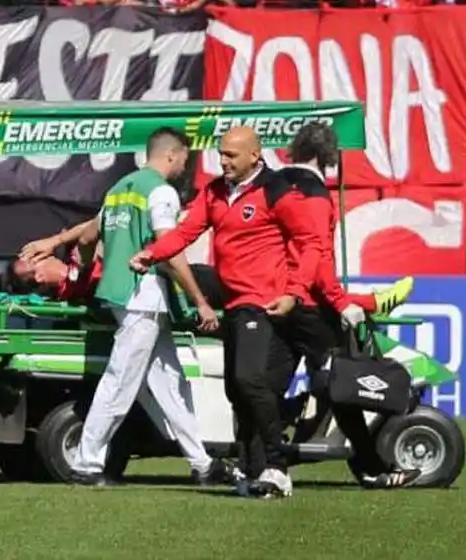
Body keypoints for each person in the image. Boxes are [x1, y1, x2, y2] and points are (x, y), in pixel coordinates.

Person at [26, 126, 233, 487]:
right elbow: (169, 250)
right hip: (143, 298)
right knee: (120, 381)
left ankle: (202, 463)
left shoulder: (120, 189)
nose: (185, 167)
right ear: (171, 154)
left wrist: (72, 260)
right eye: (185, 159)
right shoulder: (161, 192)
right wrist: (200, 301)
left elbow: (89, 235)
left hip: (125, 296)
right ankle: (87, 464)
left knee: (171, 384)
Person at [130, 126, 324, 499]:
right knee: (237, 390)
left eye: (231, 155)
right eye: (221, 154)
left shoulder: (276, 190)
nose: (223, 161)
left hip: (264, 303)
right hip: (233, 303)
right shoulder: (216, 191)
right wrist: (152, 254)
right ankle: (252, 470)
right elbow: (185, 232)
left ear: (255, 155)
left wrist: (295, 293)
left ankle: (277, 466)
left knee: (249, 380)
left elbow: (311, 242)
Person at [280, 121, 422, 489]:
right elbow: (317, 260)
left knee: (272, 386)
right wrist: (343, 302)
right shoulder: (315, 195)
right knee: (341, 385)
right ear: (327, 155)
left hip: (274, 299)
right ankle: (370, 468)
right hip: (307, 306)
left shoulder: (275, 185)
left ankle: (266, 459)